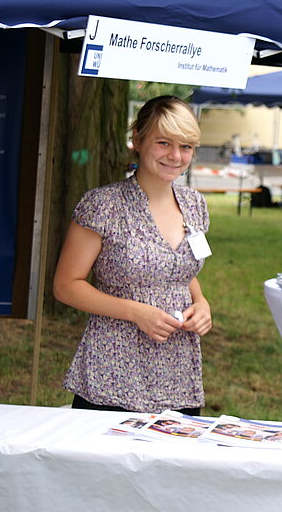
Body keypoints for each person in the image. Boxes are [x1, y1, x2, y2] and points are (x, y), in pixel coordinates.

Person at [53, 95, 213, 416]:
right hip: (115, 367)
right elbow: (66, 285)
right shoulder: (103, 205)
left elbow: (177, 270)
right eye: (164, 143)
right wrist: (135, 312)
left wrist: (201, 303)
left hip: (177, 369)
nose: (175, 156)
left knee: (173, 449)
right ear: (137, 140)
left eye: (185, 146)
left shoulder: (194, 204)